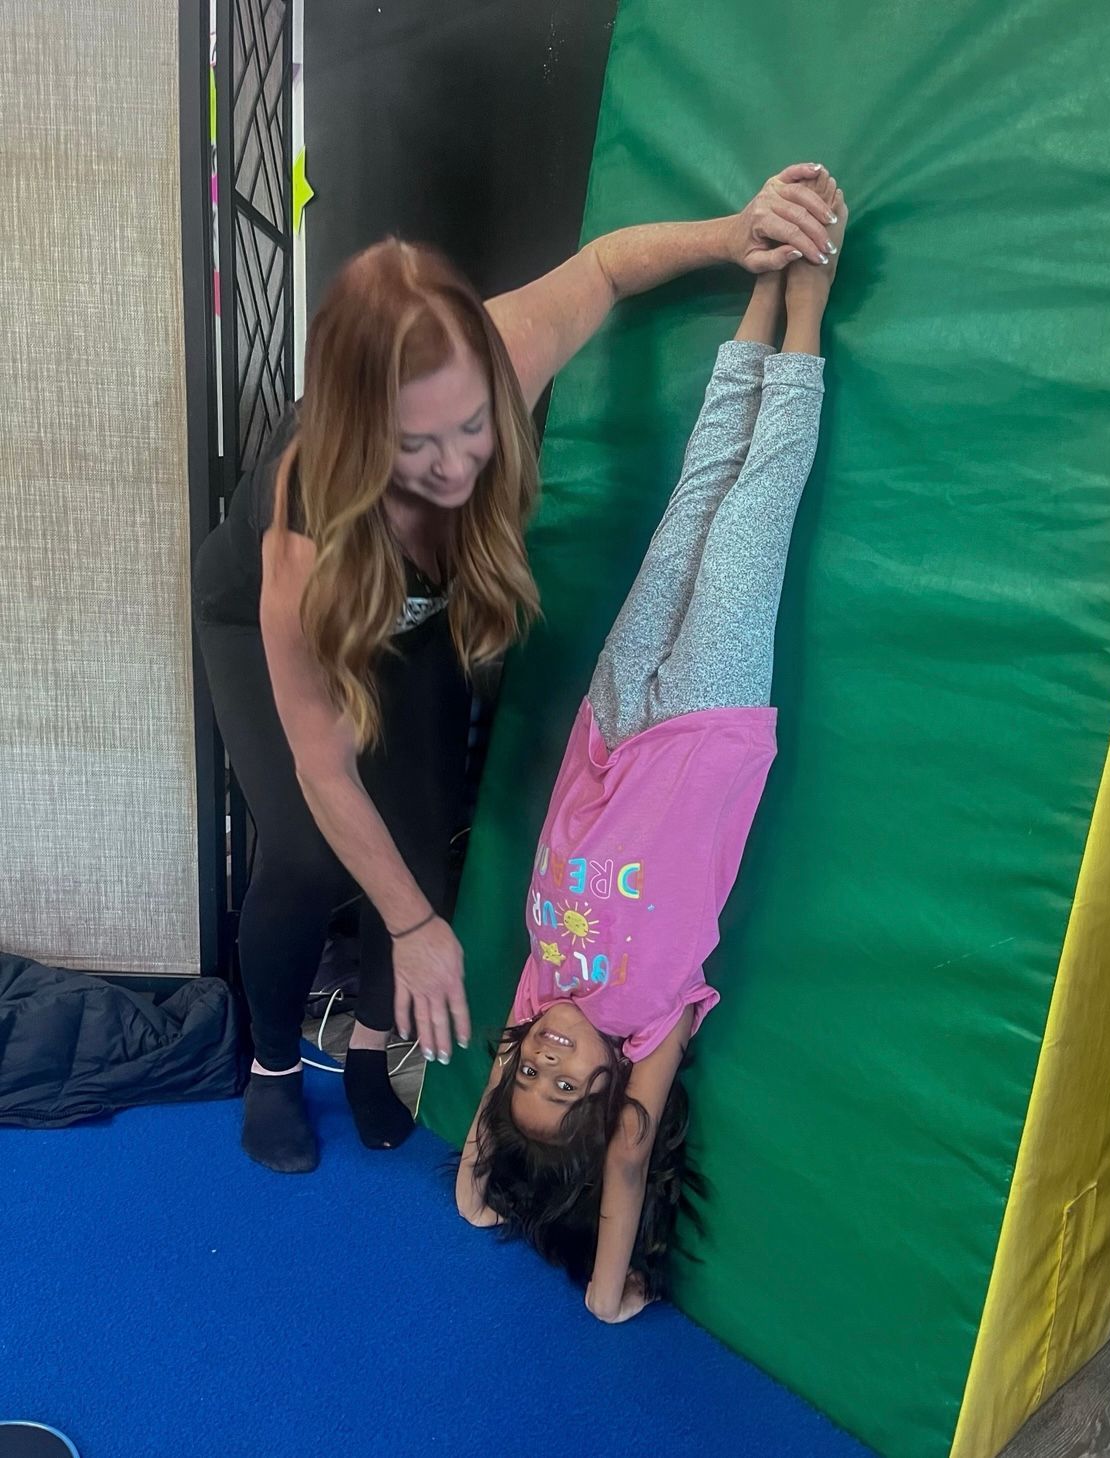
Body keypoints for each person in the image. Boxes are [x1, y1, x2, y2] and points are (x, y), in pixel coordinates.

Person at [193, 165, 841, 1175]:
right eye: (415, 447)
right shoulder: (303, 539)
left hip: (411, 619)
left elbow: (608, 268)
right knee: (311, 847)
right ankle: (274, 1066)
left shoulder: (493, 355)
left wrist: (738, 232)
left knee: (423, 835)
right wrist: (410, 928)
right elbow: (324, 771)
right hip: (277, 627)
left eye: (470, 430)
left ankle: (372, 1049)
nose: (456, 469)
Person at [455, 175, 847, 1322]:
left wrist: (490, 1180)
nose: (551, 1058)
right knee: (757, 504)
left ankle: (762, 295)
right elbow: (621, 1164)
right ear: (609, 1090)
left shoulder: (543, 985)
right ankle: (808, 310)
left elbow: (483, 1189)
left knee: (693, 502)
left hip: (615, 716)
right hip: (711, 722)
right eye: (567, 1083)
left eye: (530, 1069)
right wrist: (606, 1291)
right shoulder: (654, 1018)